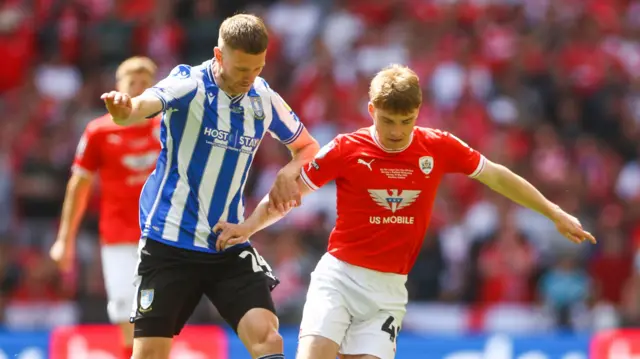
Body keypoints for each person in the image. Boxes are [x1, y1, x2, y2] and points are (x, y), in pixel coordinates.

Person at [213, 64, 597, 359]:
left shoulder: (438, 146)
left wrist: (553, 211)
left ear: (418, 112)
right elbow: (289, 196)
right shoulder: (346, 148)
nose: (397, 131)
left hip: (388, 292)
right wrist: (247, 227)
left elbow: (497, 176)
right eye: (388, 120)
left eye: (406, 121)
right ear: (371, 110)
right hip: (339, 280)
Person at [100, 14, 319, 359]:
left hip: (226, 242)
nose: (250, 78)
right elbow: (143, 106)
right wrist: (125, 109)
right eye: (241, 69)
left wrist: (289, 171)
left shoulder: (264, 98)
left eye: (257, 69)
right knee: (149, 354)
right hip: (168, 242)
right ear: (218, 56)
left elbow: (308, 148)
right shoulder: (189, 83)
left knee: (269, 340)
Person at [50, 56, 161, 359]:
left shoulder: (169, 129)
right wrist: (64, 240)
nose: (138, 90)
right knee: (124, 311)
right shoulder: (99, 131)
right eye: (131, 83)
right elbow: (78, 186)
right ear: (118, 87)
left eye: (144, 84)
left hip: (163, 235)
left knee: (158, 315)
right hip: (117, 236)